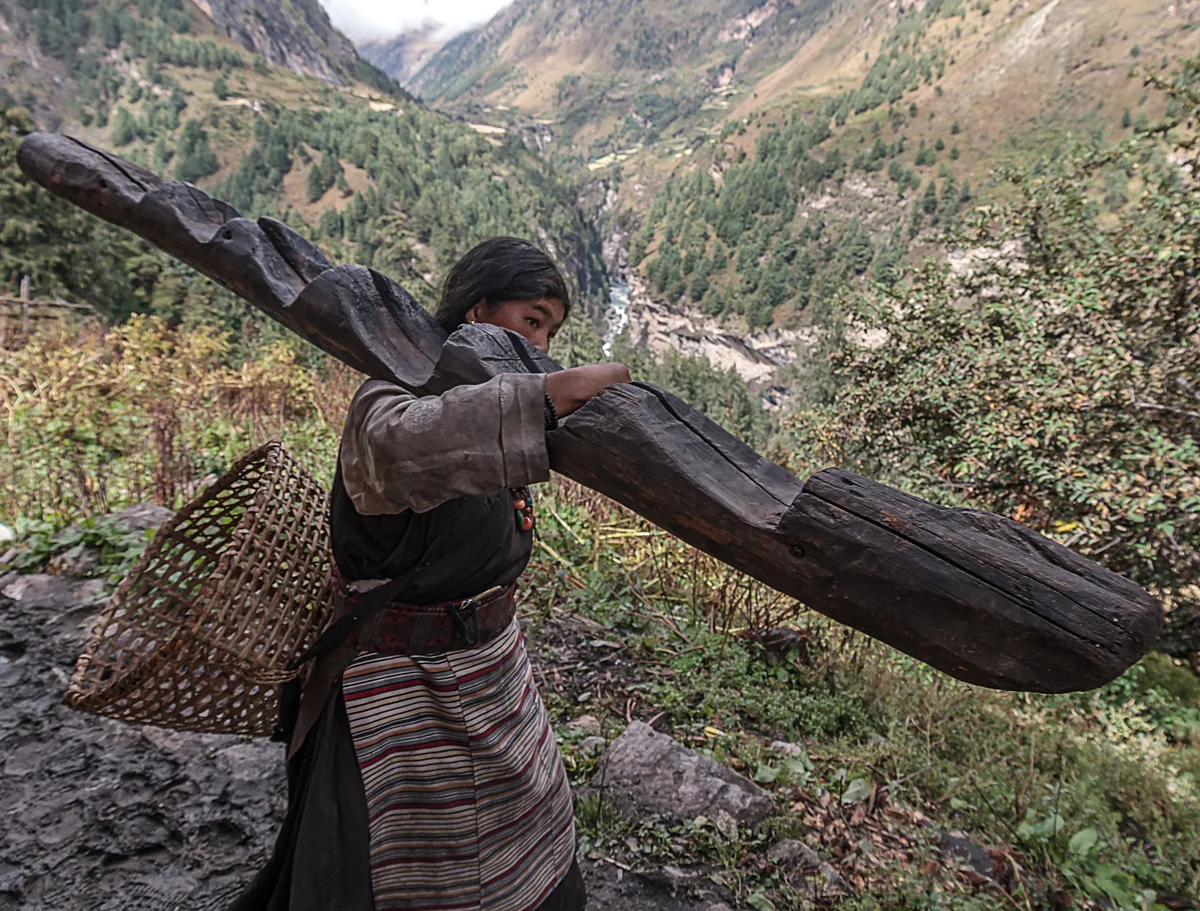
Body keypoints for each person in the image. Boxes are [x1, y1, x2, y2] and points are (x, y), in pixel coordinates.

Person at [232, 237, 629, 911]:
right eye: (531, 320)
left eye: (551, 331)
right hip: (396, 688)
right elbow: (401, 450)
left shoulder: (483, 397)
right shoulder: (391, 392)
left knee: (529, 843)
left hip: (493, 676)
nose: (540, 340)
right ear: (476, 312)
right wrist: (542, 397)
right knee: (386, 864)